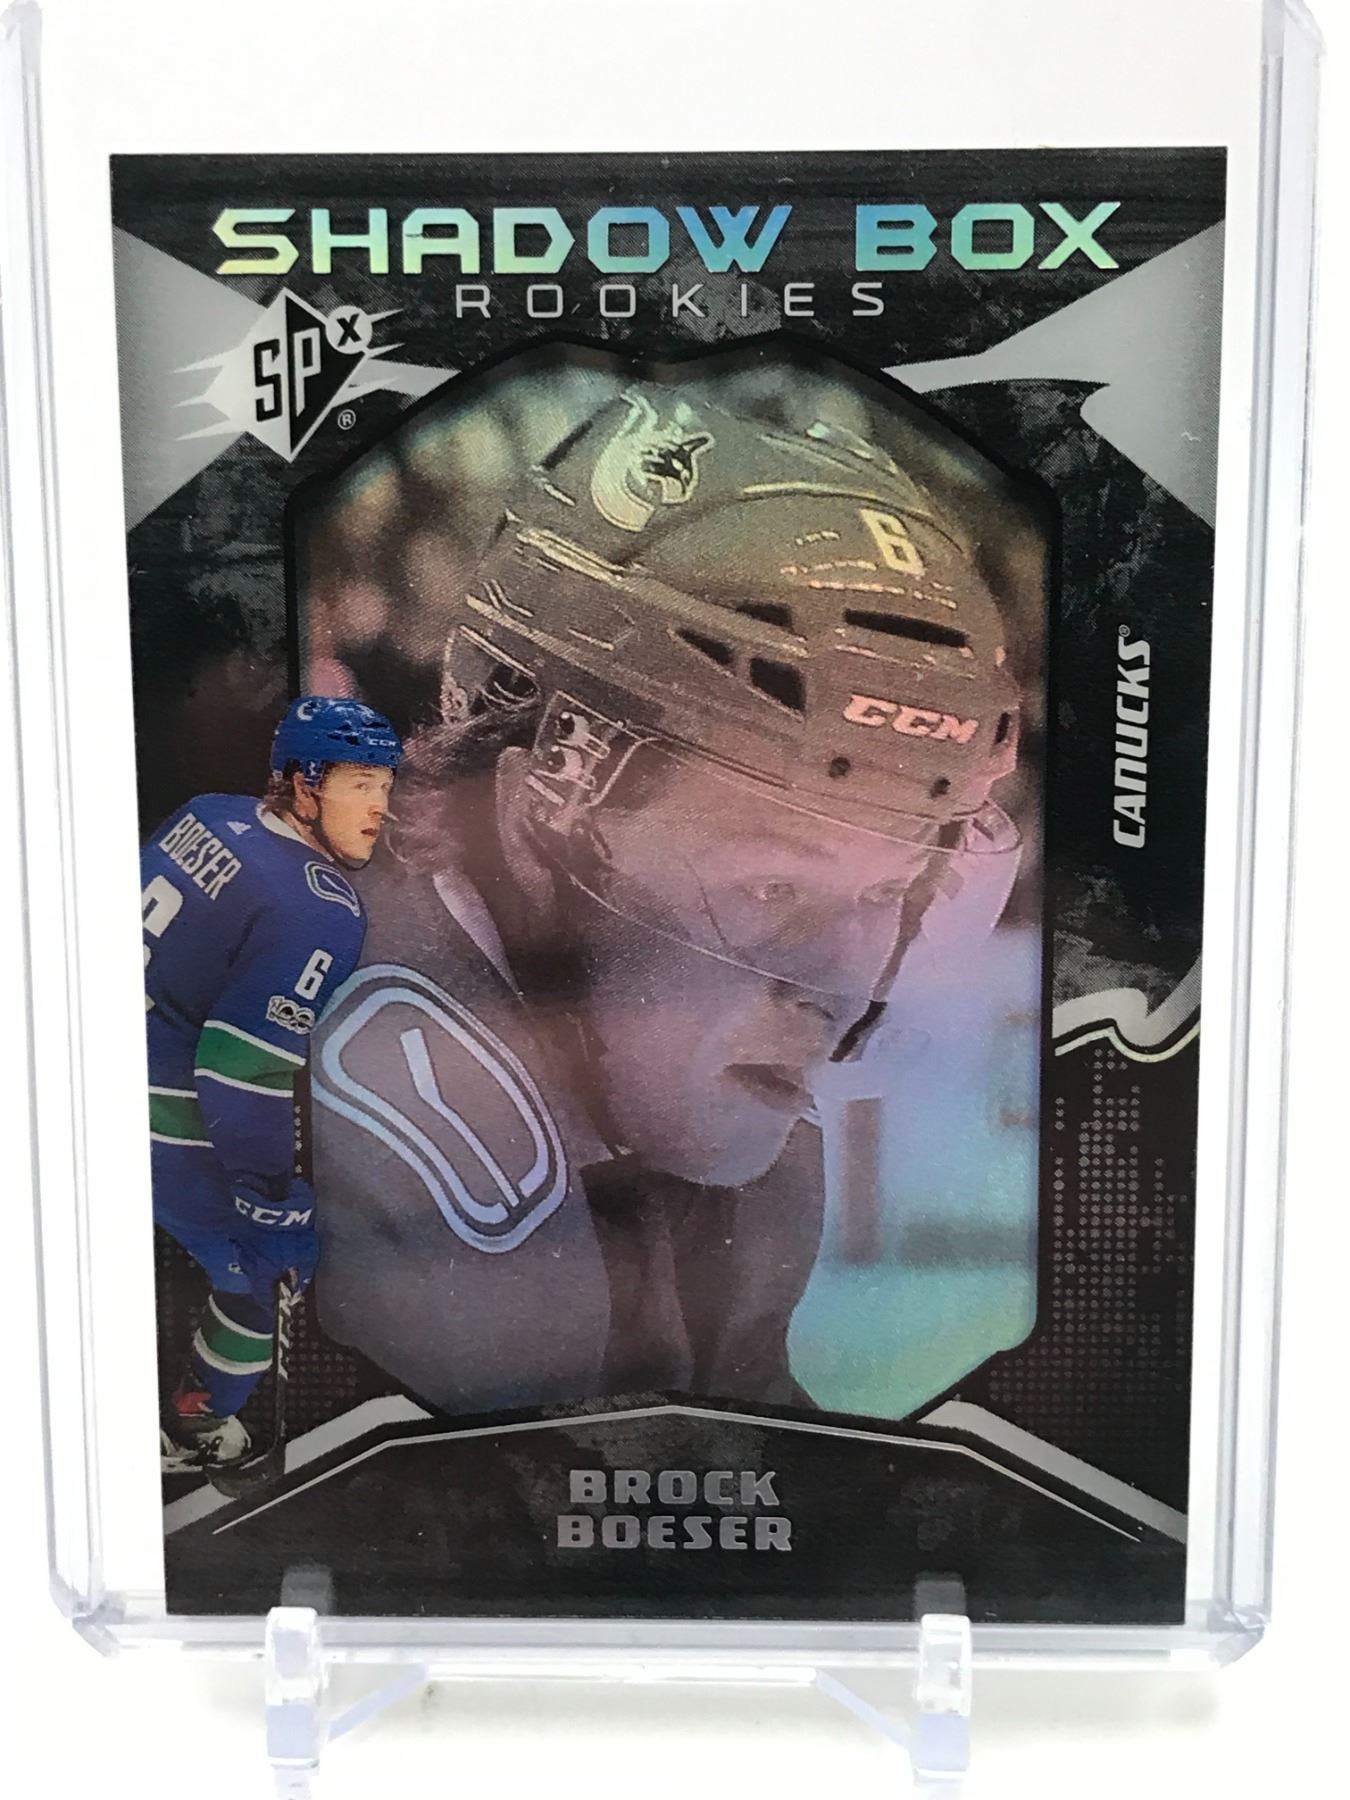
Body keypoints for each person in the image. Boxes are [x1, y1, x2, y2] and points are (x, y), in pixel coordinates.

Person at [310, 357, 1026, 1418]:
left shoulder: (710, 1130)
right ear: (539, 816)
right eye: (774, 888)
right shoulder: (381, 1141)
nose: (834, 992)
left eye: (887, 892)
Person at [143, 695, 402, 1471]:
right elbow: (240, 1068)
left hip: (77, 1063)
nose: (380, 807)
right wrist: (267, 1196)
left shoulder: (207, 814)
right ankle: (193, 1430)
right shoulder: (320, 911)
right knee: (266, 1268)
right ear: (302, 783)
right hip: (154, 1109)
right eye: (359, 783)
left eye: (386, 784)